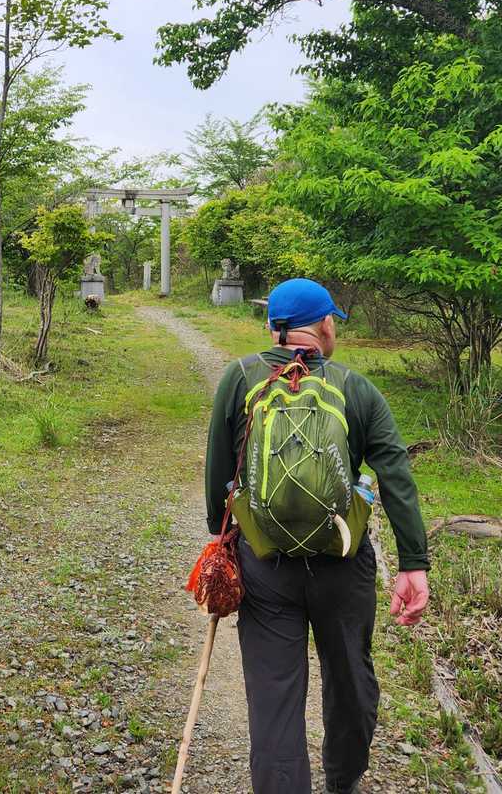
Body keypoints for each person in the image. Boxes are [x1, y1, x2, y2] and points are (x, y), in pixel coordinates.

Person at [205, 278, 429, 794]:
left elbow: (219, 475)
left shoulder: (239, 379)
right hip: (342, 564)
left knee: (274, 699)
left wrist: (221, 542)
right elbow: (395, 476)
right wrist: (413, 564)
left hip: (265, 567)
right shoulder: (356, 389)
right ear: (326, 325)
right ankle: (343, 781)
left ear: (272, 327)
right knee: (349, 680)